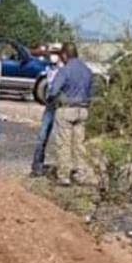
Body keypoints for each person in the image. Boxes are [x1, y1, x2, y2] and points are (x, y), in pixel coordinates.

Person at [46, 43, 93, 186]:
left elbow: (53, 90)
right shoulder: (87, 70)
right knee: (80, 143)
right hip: (83, 109)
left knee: (64, 143)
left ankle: (64, 176)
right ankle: (81, 174)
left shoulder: (65, 70)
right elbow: (91, 92)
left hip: (67, 109)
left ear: (65, 55)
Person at [30, 47, 63, 177]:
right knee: (42, 135)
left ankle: (62, 169)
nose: (52, 56)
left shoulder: (63, 69)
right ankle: (37, 166)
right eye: (51, 54)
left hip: (60, 104)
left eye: (55, 54)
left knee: (61, 138)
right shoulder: (48, 68)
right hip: (50, 103)